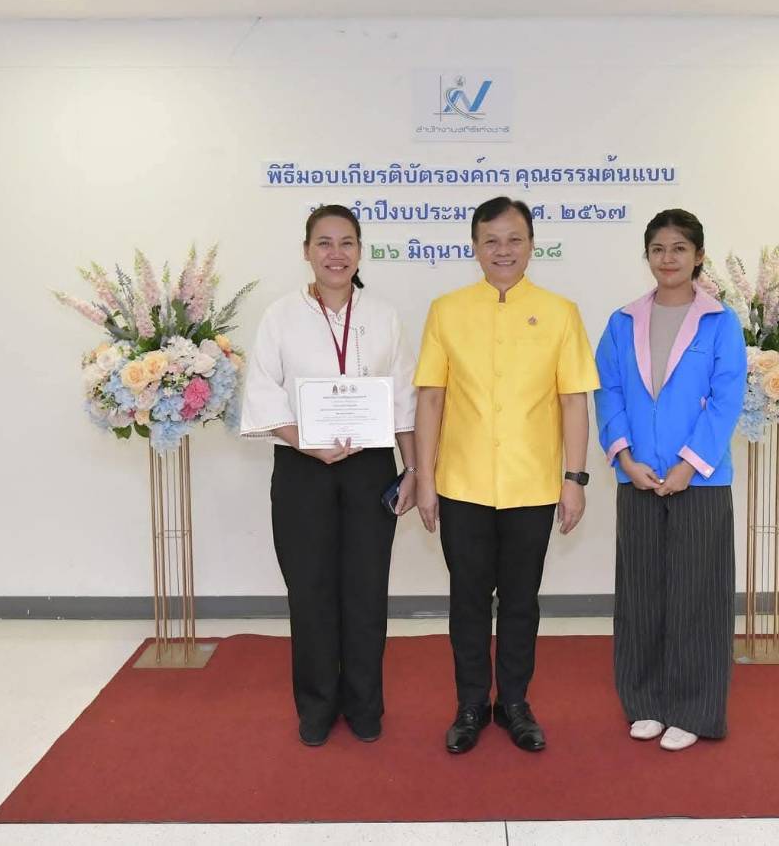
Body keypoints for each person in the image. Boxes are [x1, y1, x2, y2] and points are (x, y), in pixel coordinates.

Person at [412, 196, 600, 754]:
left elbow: (573, 402)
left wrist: (574, 479)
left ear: (532, 245)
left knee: (521, 601)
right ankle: (471, 704)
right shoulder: (446, 310)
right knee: (467, 600)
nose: (503, 250)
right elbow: (431, 399)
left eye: (514, 239)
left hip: (533, 484)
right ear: (474, 247)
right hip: (462, 483)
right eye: (491, 240)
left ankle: (514, 703)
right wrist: (425, 478)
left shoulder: (561, 312)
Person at [239, 204, 418, 746]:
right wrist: (306, 442)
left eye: (346, 243)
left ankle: (365, 705)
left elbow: (404, 399)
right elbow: (263, 390)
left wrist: (413, 468)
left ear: (360, 251)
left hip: (370, 467)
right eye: (324, 243)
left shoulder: (384, 315)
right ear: (306, 252)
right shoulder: (280, 316)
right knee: (310, 589)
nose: (335, 254)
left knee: (367, 589)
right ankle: (316, 705)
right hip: (302, 468)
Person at [593, 208, 746, 751]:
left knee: (696, 597)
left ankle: (694, 709)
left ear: (699, 256)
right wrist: (624, 456)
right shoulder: (622, 321)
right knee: (640, 594)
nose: (668, 258)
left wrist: (688, 464)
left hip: (699, 480)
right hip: (638, 476)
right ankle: (645, 702)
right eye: (658, 248)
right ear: (647, 256)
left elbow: (726, 399)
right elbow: (608, 390)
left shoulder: (720, 322)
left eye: (679, 248)